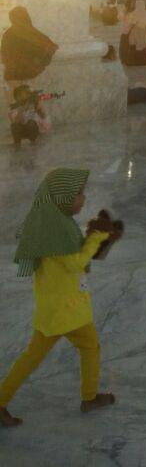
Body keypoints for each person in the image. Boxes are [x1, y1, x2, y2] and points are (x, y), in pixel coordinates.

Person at [0, 168, 116, 425]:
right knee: (88, 348)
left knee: (34, 357)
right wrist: (96, 239)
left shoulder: (54, 222)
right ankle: (89, 397)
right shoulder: (54, 229)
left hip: (57, 308)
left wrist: (92, 240)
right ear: (62, 197)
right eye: (79, 194)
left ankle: (2, 400)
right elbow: (75, 263)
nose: (84, 198)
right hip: (66, 310)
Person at [1, 7, 57, 88]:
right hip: (31, 76)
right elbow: (50, 47)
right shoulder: (33, 33)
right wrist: (38, 63)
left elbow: (4, 56)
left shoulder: (8, 34)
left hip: (14, 77)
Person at [119, 0, 146, 68]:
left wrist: (126, 32)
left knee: (134, 47)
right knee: (143, 47)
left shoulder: (133, 14)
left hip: (134, 34)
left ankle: (134, 62)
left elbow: (130, 24)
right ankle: (143, 62)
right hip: (143, 34)